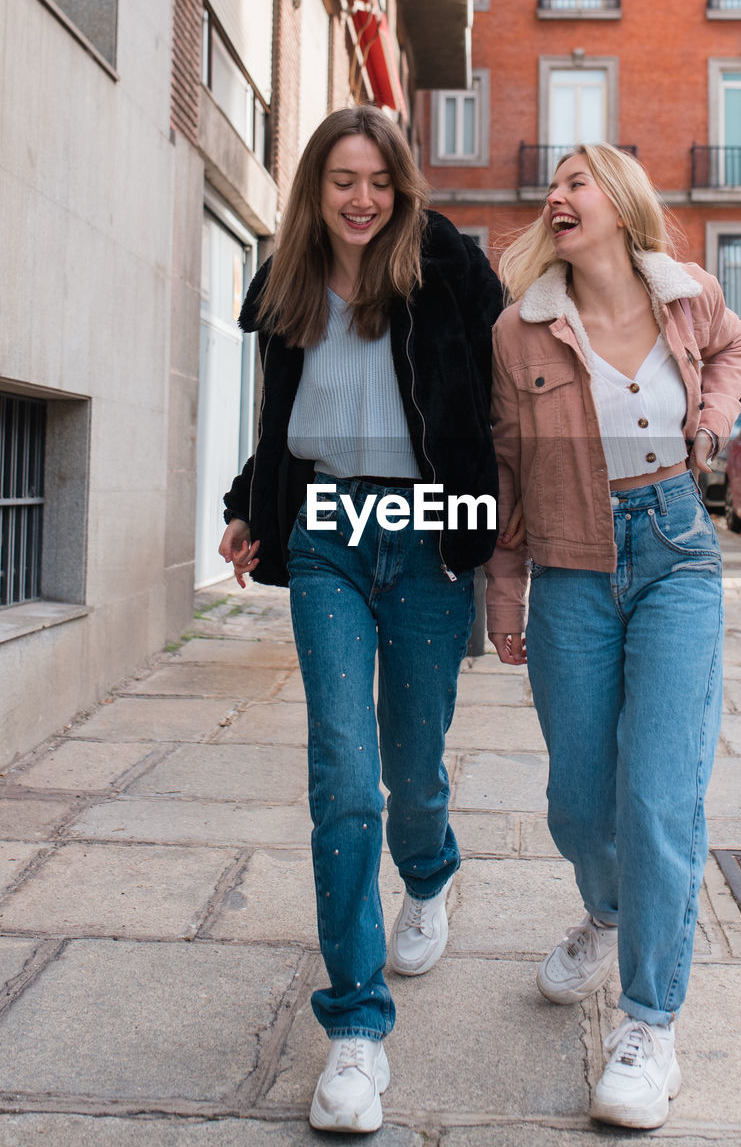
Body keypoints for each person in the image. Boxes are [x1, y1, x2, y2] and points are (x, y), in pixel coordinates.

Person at [218, 105, 503, 1134]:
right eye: (342, 178)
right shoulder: (287, 278)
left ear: (401, 184)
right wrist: (252, 509)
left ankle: (429, 869)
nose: (361, 197)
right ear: (314, 186)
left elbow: (500, 386)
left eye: (377, 179)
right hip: (331, 532)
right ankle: (355, 1030)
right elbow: (287, 423)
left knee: (411, 757)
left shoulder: (446, 265)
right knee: (344, 766)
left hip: (428, 536)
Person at [485, 143, 741, 1130]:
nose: (556, 196)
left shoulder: (687, 296)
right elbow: (509, 466)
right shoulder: (521, 332)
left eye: (576, 181)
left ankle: (651, 1024)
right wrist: (502, 590)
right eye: (552, 184)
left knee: (660, 795)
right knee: (577, 797)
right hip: (570, 563)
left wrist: (715, 425)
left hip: (678, 546)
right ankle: (606, 908)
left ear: (620, 203)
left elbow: (734, 350)